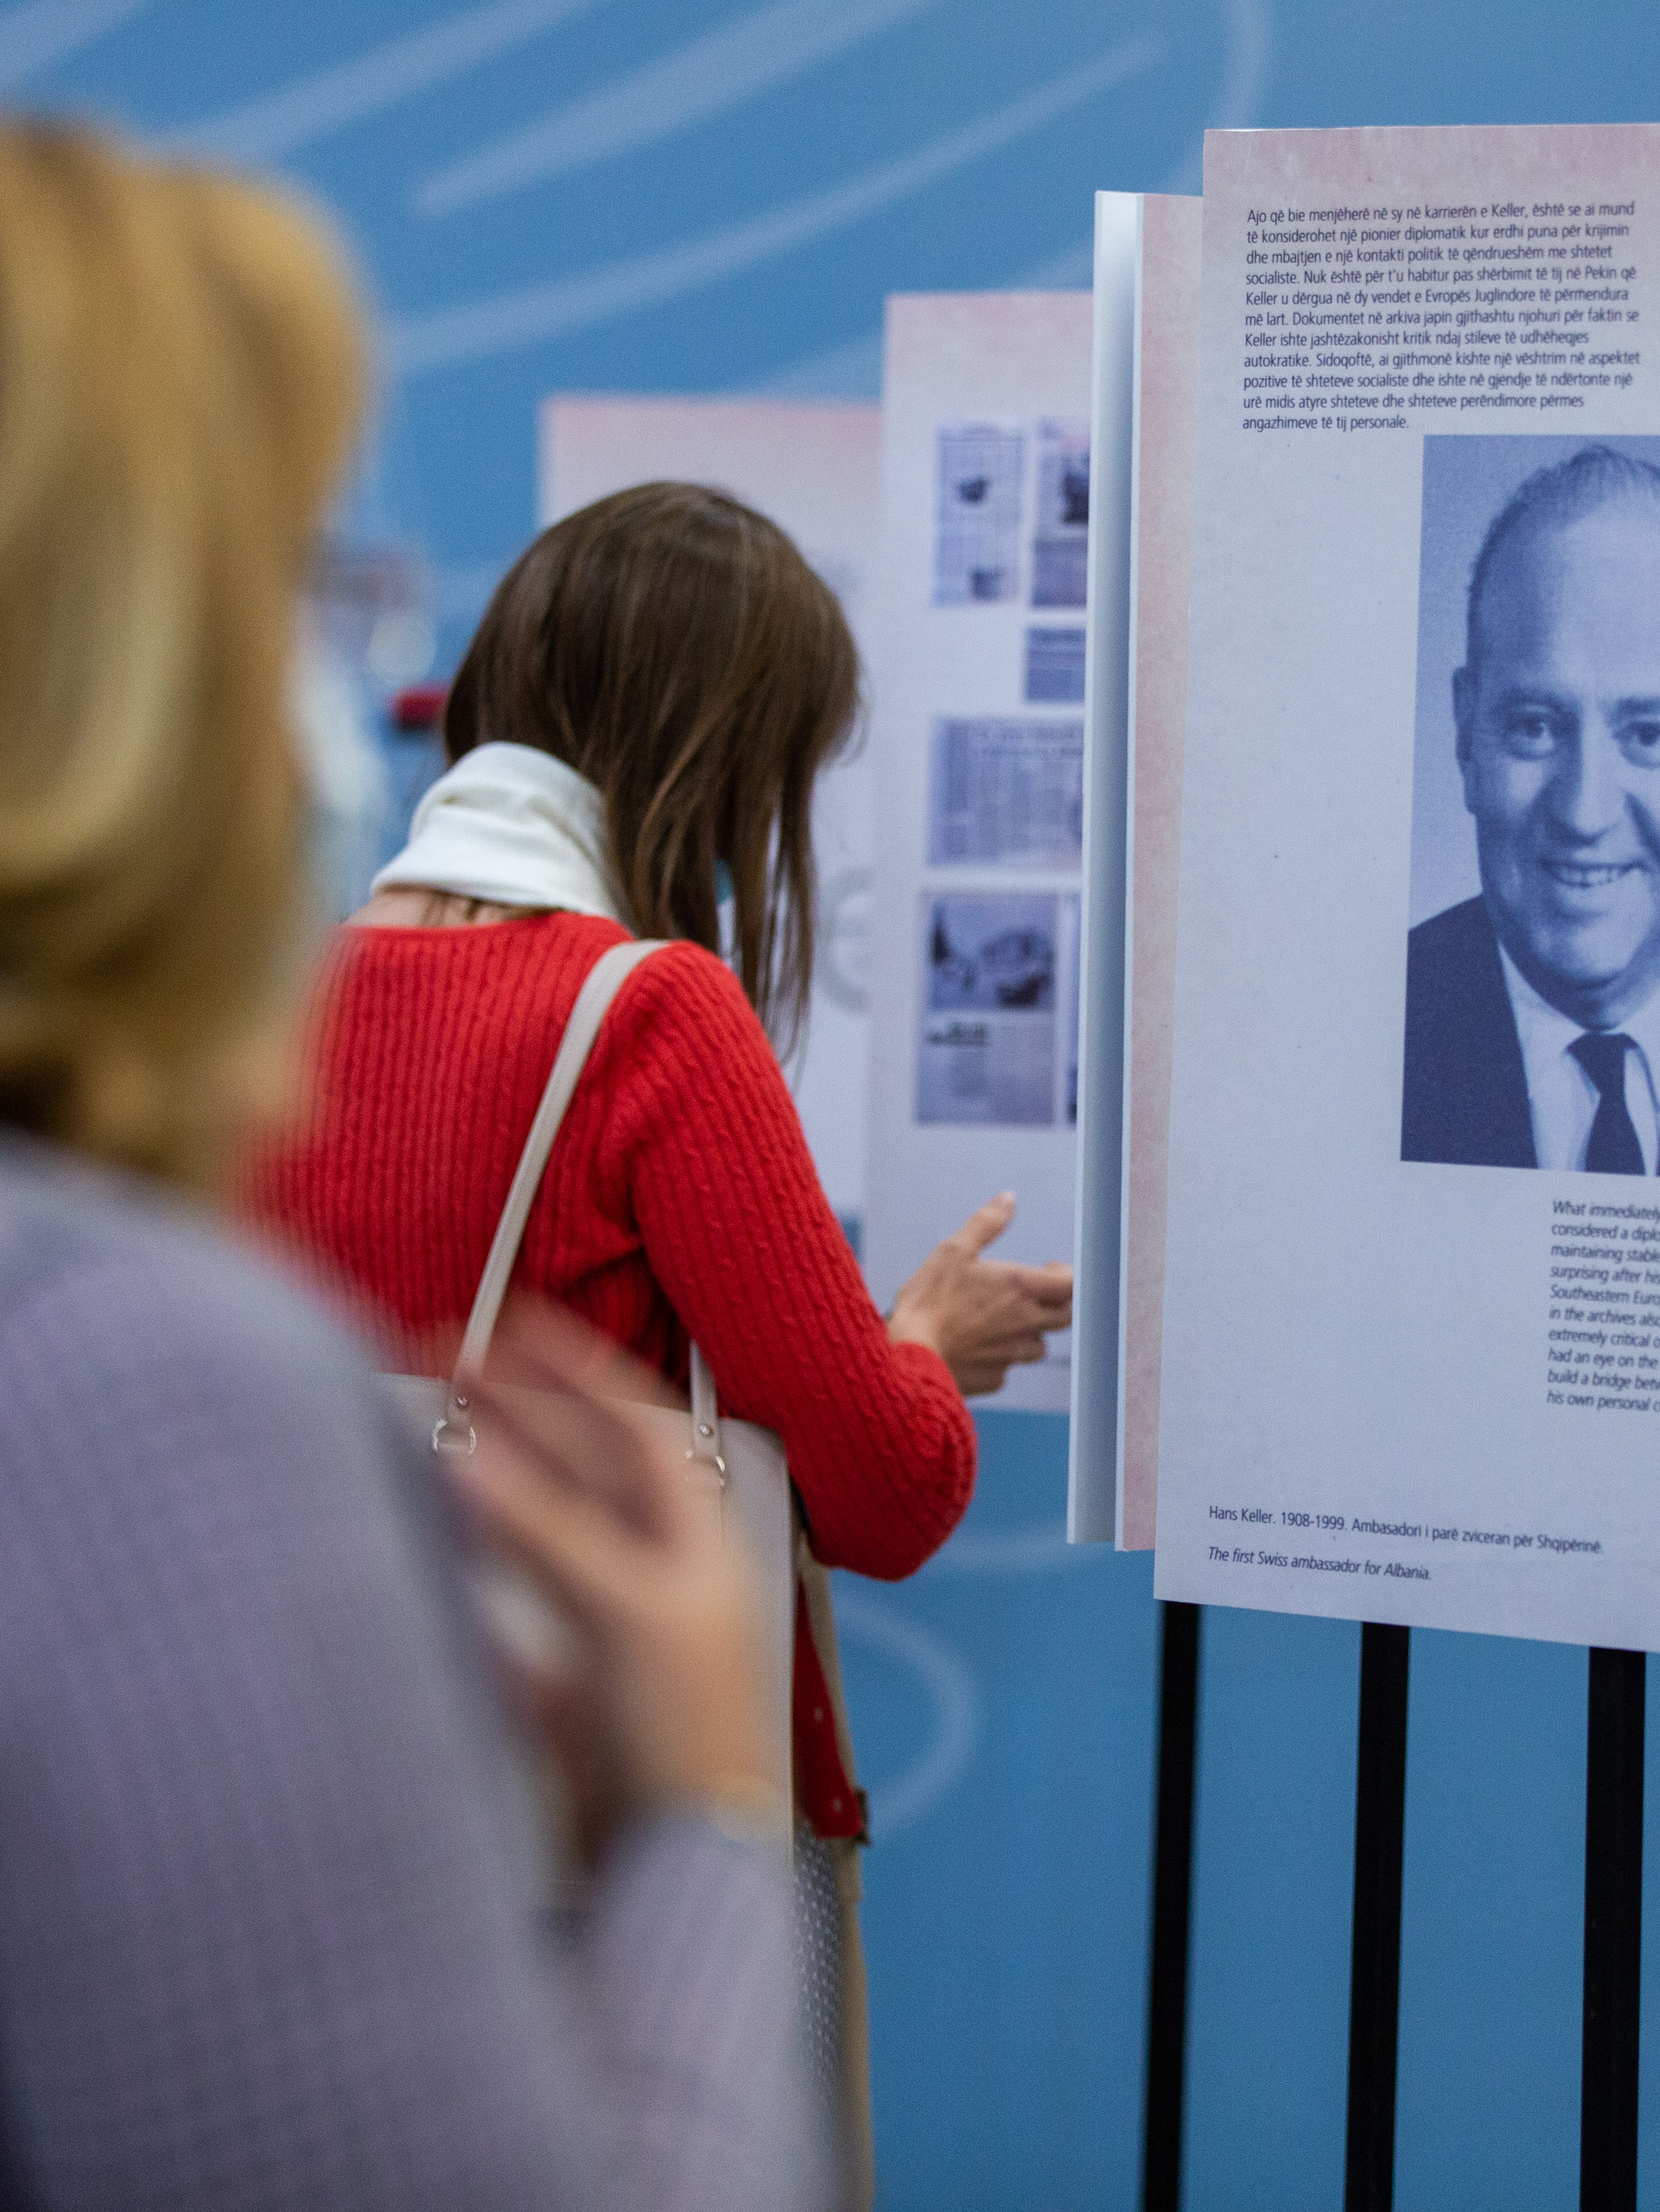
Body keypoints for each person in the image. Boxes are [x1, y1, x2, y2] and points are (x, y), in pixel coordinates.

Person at [0, 108, 817, 2209]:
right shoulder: (62, 1383)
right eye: (272, 584)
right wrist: (698, 1812)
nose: (322, 697)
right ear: (63, 677)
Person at [239, 482, 1073, 2205]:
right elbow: (882, 1483)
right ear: (719, 758)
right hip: (624, 1845)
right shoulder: (654, 1016)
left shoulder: (270, 994)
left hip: (314, 1816)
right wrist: (925, 1339)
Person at [1400, 446, 1660, 1181]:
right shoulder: (1361, 1033)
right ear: (1466, 739)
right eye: (1536, 727)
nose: (1584, 812)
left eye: (1647, 735)